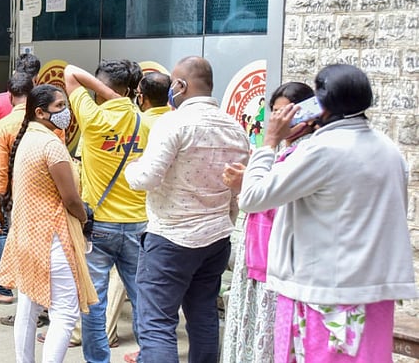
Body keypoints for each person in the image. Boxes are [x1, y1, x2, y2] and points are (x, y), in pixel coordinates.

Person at [239, 64, 416, 363]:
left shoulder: (321, 151)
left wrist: (269, 142)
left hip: (324, 296)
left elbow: (253, 197)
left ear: (322, 105)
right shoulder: (389, 150)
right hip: (375, 293)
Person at [125, 56, 250, 363]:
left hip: (170, 239)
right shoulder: (236, 128)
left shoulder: (174, 123)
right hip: (216, 239)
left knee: (157, 323)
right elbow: (237, 190)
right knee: (204, 316)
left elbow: (147, 178)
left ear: (180, 85)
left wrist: (132, 168)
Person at [0, 84, 96, 363]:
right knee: (65, 312)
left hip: (27, 236)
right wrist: (85, 217)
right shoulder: (52, 145)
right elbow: (71, 199)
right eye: (60, 107)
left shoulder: (27, 137)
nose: (66, 112)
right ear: (40, 112)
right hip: (52, 238)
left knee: (27, 309)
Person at [220, 82, 314, 363]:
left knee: (271, 341)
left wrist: (247, 181)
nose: (277, 120)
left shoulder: (307, 152)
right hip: (256, 257)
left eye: (285, 113)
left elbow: (274, 199)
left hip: (278, 264)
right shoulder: (280, 152)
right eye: (274, 112)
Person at [63, 60, 146, 363]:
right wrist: (121, 98)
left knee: (94, 302)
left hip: (99, 226)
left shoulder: (93, 117)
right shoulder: (145, 121)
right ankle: (149, 353)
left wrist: (108, 95)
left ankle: (97, 360)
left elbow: (70, 72)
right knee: (142, 299)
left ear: (101, 88)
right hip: (138, 223)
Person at [0, 74, 35, 312]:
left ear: (10, 96)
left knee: (3, 234)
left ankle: (3, 290)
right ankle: (37, 300)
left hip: (13, 196)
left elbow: (0, 173)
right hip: (40, 195)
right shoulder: (45, 121)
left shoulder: (5, 126)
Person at [0, 53, 40, 146]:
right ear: (37, 78)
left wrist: (5, 145)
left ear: (14, 74)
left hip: (5, 158)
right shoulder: (43, 101)